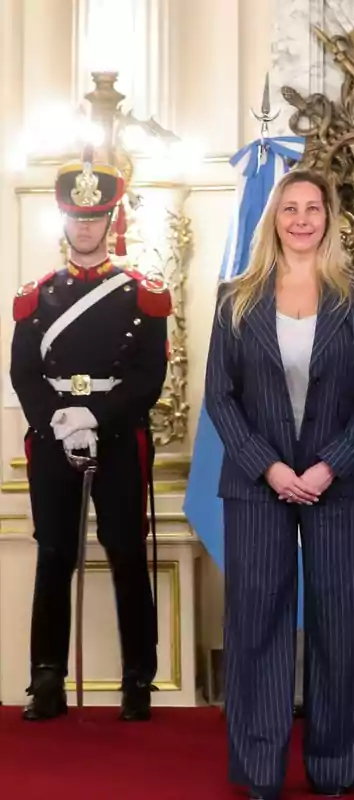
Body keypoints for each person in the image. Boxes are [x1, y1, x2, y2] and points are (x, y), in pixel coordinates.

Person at [204, 168, 354, 799]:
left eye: (314, 208)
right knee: (257, 625)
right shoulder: (236, 297)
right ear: (274, 219)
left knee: (340, 625)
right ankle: (259, 772)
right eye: (291, 209)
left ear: (330, 217)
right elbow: (220, 398)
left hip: (341, 482)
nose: (303, 219)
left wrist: (328, 465)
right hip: (258, 484)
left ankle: (335, 768)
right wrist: (272, 467)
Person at [12, 147, 169, 722]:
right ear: (65, 220)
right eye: (76, 216)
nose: (85, 225)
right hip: (54, 437)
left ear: (112, 219)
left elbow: (149, 376)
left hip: (118, 435)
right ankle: (46, 679)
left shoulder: (142, 293)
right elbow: (23, 370)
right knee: (54, 554)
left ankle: (137, 679)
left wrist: (96, 418)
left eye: (95, 216)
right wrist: (59, 419)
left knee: (126, 553)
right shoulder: (36, 296)